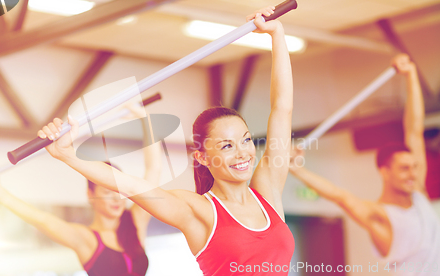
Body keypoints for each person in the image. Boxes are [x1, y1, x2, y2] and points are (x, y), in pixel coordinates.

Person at [38, 7, 295, 276]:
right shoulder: (198, 210)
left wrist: (277, 35)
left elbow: (282, 108)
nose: (243, 153)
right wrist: (68, 155)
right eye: (227, 146)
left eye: (245, 141)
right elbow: (131, 185)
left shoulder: (268, 190)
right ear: (202, 158)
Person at [289, 54, 440, 275]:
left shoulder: (419, 193)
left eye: (414, 167)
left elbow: (414, 132)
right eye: (404, 168)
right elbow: (341, 197)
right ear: (385, 172)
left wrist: (411, 75)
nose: (413, 174)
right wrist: (296, 169)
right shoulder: (379, 215)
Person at [0, 104, 161, 276]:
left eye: (121, 192)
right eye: (107, 192)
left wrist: (145, 120)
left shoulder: (136, 221)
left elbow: (153, 170)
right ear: (91, 195)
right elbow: (42, 220)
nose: (117, 199)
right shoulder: (86, 239)